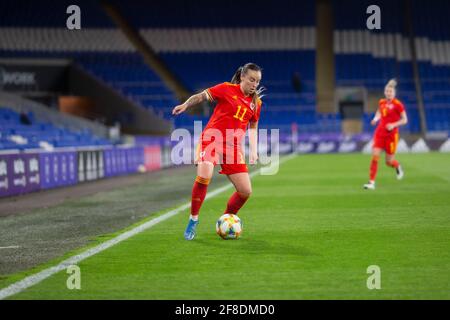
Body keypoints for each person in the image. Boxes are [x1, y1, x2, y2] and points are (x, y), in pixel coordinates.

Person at [172, 63, 264, 240]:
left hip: (233, 147)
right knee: (205, 174)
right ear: (242, 77)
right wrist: (185, 104)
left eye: (257, 81)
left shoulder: (256, 103)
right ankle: (193, 219)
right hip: (212, 139)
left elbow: (253, 127)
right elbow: (201, 96)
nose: (254, 84)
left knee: (245, 191)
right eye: (252, 79)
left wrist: (253, 150)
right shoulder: (226, 89)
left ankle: (227, 219)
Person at [364, 79, 408, 190]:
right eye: (387, 91)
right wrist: (375, 119)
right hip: (380, 133)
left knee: (389, 162)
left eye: (391, 92)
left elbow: (404, 120)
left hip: (392, 136)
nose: (389, 93)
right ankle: (371, 182)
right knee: (375, 157)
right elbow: (379, 112)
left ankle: (397, 166)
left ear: (394, 93)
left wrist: (393, 125)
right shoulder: (382, 102)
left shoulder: (398, 105)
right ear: (385, 92)